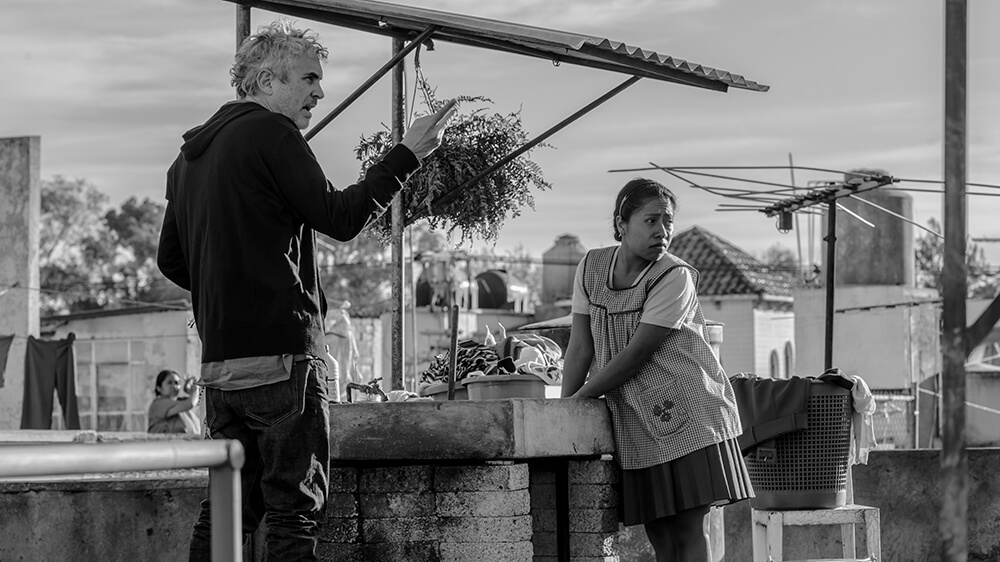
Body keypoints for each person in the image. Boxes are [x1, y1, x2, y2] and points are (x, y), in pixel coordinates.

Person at [156, 20, 456, 561]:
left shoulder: (187, 160)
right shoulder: (273, 133)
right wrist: (407, 153)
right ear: (266, 81)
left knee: (225, 513)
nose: (319, 92)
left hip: (220, 372)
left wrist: (229, 295)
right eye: (309, 78)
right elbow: (339, 217)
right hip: (282, 363)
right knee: (295, 514)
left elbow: (170, 261)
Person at [560, 178, 753, 562]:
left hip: (690, 415)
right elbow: (580, 347)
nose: (662, 231)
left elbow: (636, 354)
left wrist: (582, 397)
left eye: (668, 221)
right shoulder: (590, 268)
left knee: (687, 528)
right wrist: (564, 411)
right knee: (660, 533)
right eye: (651, 221)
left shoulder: (674, 276)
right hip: (636, 422)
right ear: (621, 223)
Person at [147, 369, 202, 435]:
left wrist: (189, 391)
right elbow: (191, 404)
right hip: (165, 441)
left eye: (177, 383)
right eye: (169, 383)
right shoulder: (158, 404)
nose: (174, 386)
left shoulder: (180, 402)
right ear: (159, 388)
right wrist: (195, 389)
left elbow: (199, 401)